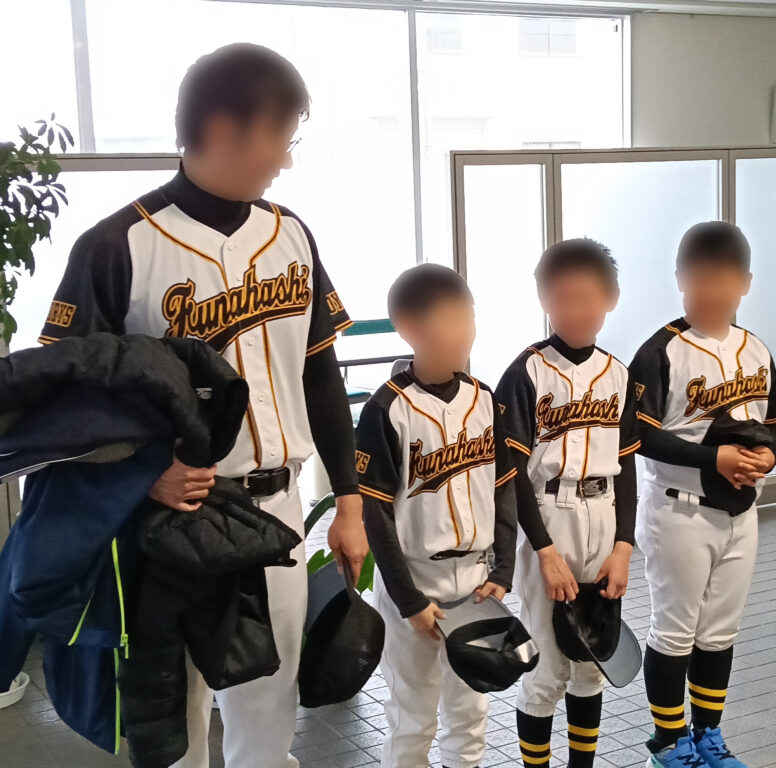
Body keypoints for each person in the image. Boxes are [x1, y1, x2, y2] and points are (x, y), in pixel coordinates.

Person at [37, 43, 368, 768]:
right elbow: (62, 401)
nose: (285, 159)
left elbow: (320, 374)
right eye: (279, 137)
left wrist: (348, 500)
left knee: (270, 711)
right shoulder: (116, 245)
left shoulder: (291, 233)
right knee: (176, 724)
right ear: (221, 127)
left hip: (278, 509)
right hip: (175, 520)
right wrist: (141, 472)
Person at [629, 222, 776, 768]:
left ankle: (708, 737)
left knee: (719, 632)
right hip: (679, 509)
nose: (710, 291)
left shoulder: (755, 348)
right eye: (698, 279)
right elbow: (639, 433)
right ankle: (668, 743)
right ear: (679, 278)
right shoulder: (661, 350)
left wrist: (771, 455)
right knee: (675, 631)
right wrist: (712, 458)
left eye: (722, 280)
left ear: (745, 283)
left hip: (741, 512)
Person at [355, 263, 518, 768]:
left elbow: (504, 488)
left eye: (468, 317)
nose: (463, 331)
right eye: (449, 320)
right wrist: (409, 600)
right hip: (415, 579)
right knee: (413, 715)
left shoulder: (484, 398)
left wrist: (503, 570)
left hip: (474, 581)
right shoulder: (387, 408)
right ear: (409, 328)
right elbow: (375, 514)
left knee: (470, 713)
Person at [495, 238, 639, 768]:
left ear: (611, 298)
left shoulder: (619, 374)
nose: (575, 310)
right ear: (544, 299)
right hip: (548, 513)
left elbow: (627, 469)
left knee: (591, 659)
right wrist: (545, 551)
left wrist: (623, 547)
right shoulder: (526, 373)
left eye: (586, 298)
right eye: (562, 298)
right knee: (547, 668)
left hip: (604, 514)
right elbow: (511, 473)